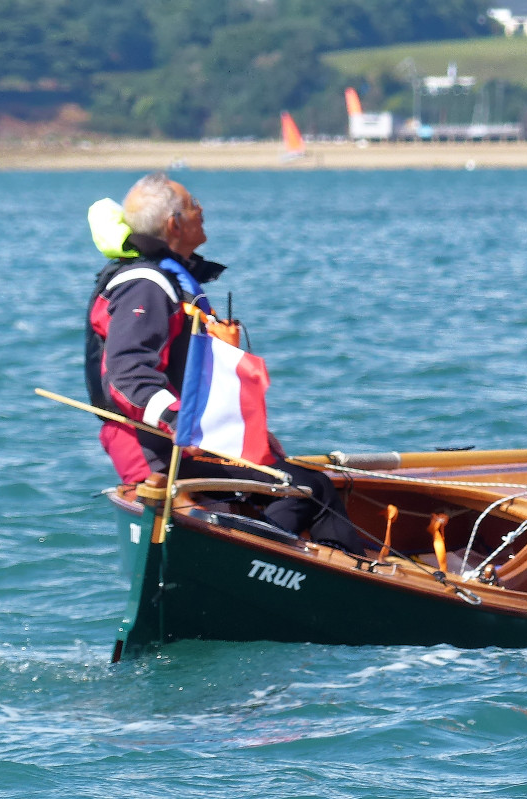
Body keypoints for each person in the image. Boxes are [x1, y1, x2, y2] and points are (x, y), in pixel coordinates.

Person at [84, 172, 365, 552]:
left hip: (185, 447)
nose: (202, 211)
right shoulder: (146, 284)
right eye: (194, 204)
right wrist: (181, 422)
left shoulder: (160, 279)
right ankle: (296, 569)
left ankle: (256, 551)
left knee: (292, 477)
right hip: (158, 454)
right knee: (311, 489)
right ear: (174, 224)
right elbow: (126, 375)